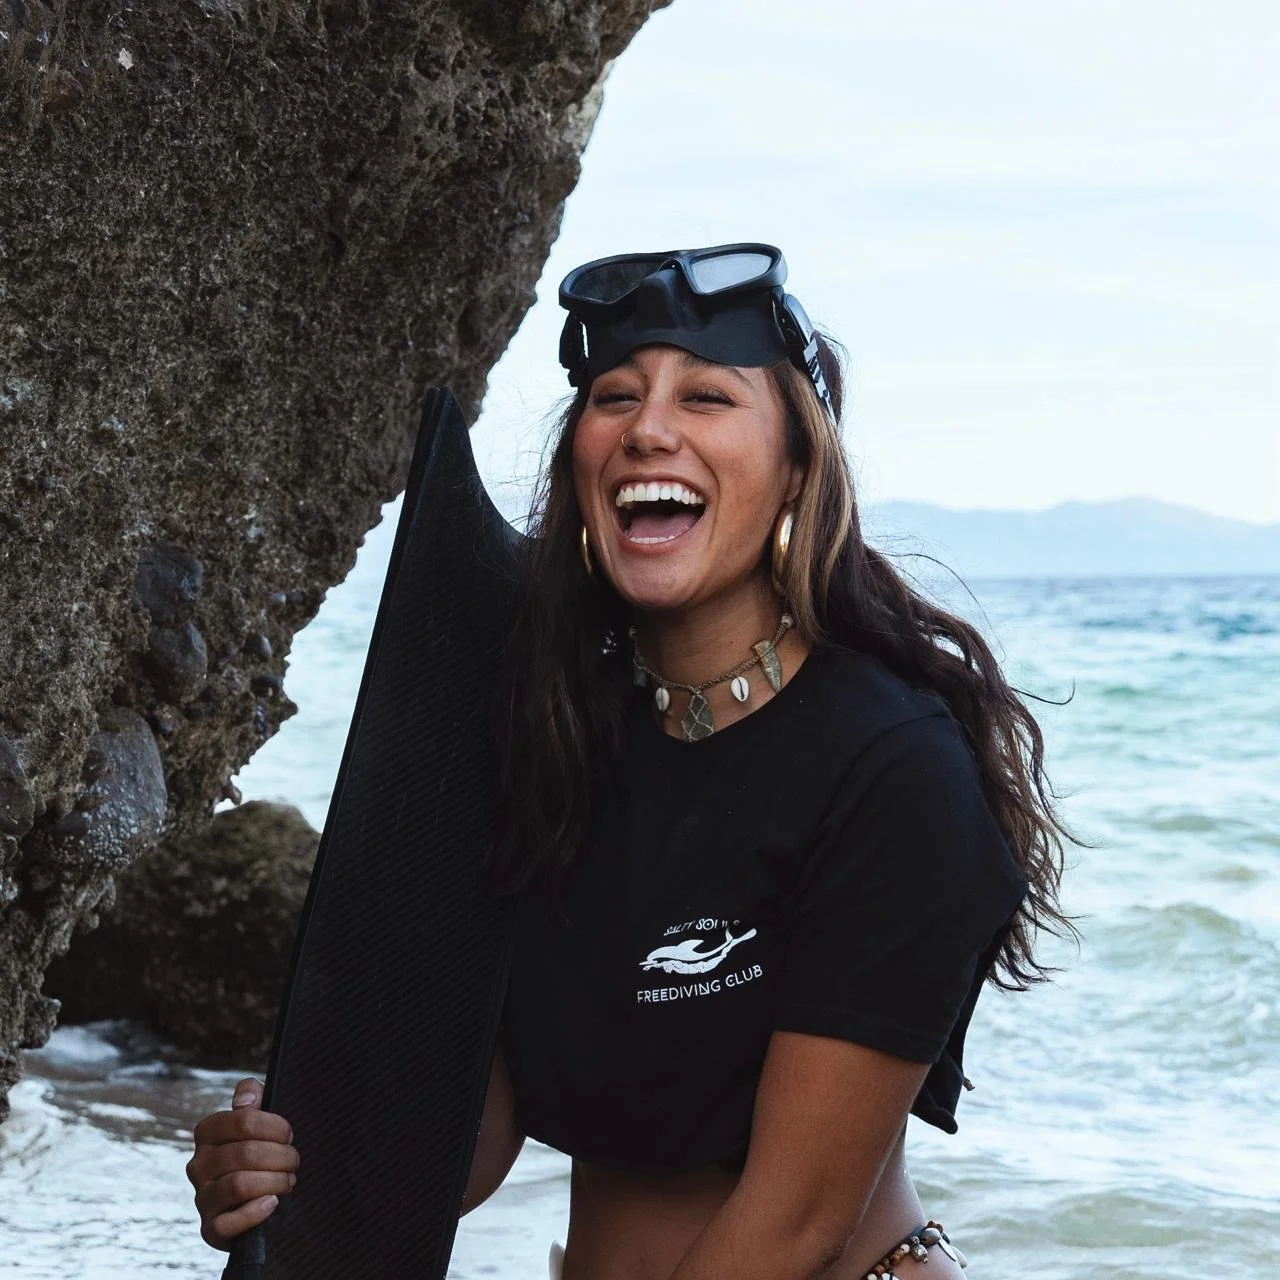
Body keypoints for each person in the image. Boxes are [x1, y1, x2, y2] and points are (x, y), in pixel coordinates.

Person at [186, 244, 1078, 1279]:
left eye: (706, 395)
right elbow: (461, 1142)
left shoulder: (890, 768)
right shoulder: (546, 734)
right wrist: (288, 1172)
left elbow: (794, 1221)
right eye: (614, 396)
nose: (648, 426)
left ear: (796, 466)